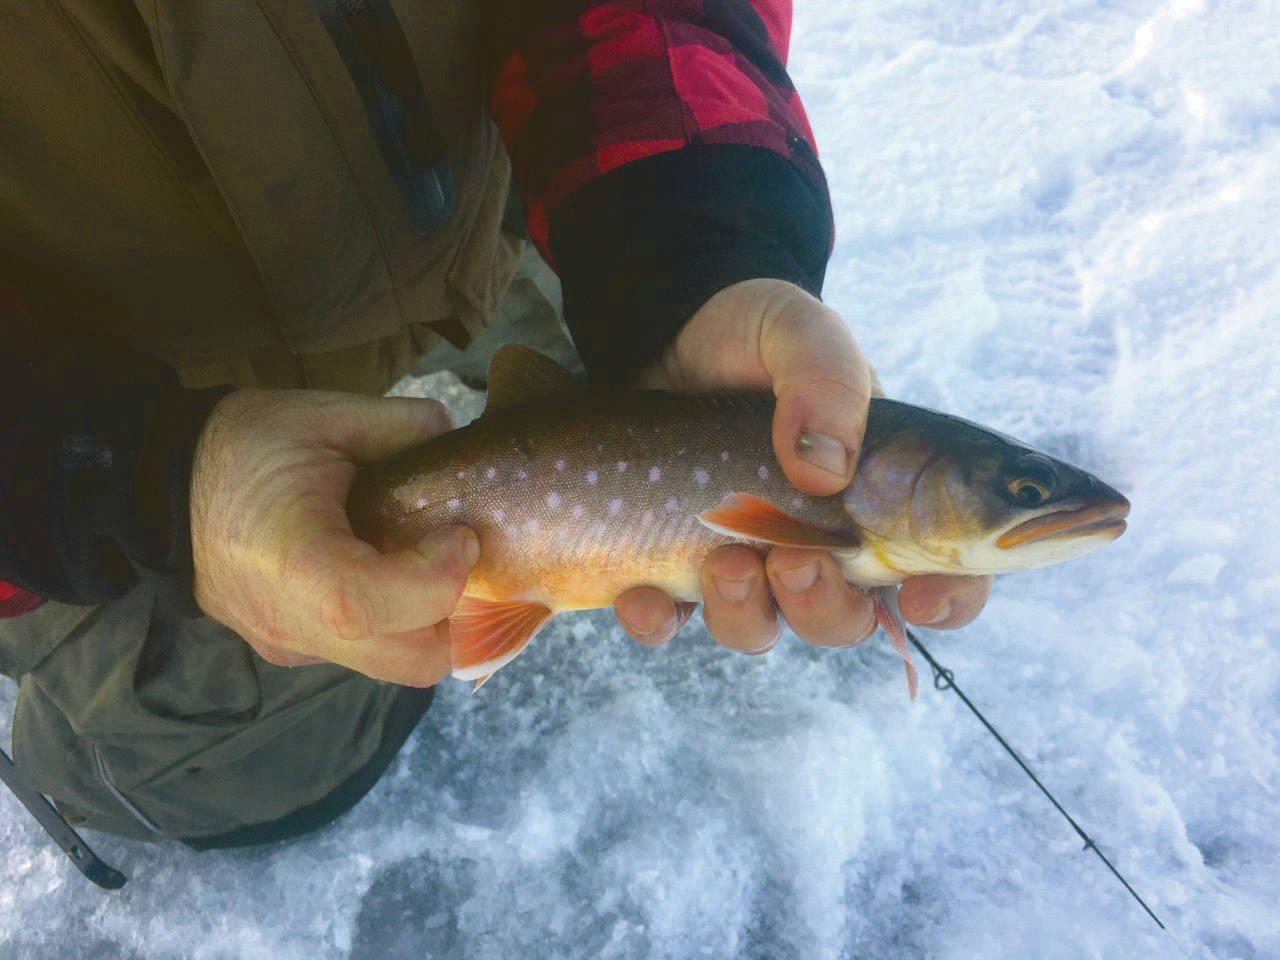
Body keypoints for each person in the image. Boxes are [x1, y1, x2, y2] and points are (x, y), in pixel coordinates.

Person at [0, 1, 991, 845]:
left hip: (478, 241)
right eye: (1012, 493)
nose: (1014, 505)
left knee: (606, 349)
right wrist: (134, 478)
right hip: (86, 407)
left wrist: (692, 249)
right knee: (232, 762)